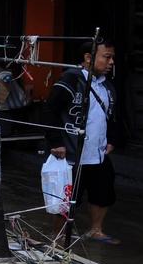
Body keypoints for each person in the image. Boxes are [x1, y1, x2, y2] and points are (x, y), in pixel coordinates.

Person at [46, 39, 121, 244]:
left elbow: (112, 116)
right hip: (73, 152)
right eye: (107, 57)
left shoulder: (107, 86)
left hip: (98, 152)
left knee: (103, 192)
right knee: (67, 196)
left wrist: (112, 140)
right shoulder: (70, 80)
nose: (111, 62)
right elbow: (50, 111)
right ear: (88, 57)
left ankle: (96, 230)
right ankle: (58, 234)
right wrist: (56, 142)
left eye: (112, 57)